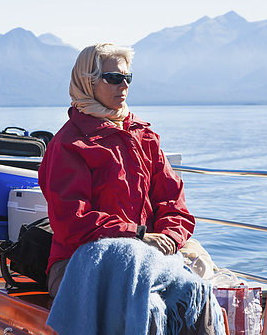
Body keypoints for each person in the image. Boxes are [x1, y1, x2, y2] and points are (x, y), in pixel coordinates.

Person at [38, 43, 195, 297]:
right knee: (145, 301)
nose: (123, 85)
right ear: (88, 83)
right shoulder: (69, 145)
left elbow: (173, 202)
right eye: (113, 78)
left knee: (197, 289)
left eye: (127, 78)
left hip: (146, 255)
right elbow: (72, 222)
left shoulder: (143, 136)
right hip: (78, 262)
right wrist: (138, 236)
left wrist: (169, 238)